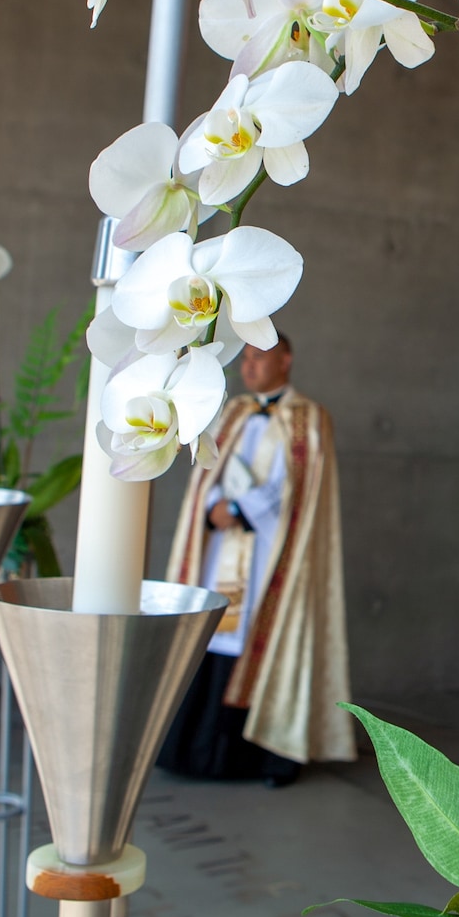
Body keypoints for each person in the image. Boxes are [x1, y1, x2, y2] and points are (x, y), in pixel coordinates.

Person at [157, 334, 354, 784]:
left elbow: (302, 488)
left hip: (272, 554)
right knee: (216, 637)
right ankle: (197, 752)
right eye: (244, 358)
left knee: (263, 639)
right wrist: (214, 507)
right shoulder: (234, 412)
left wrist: (244, 509)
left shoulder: (310, 417)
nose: (249, 366)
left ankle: (268, 756)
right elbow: (209, 472)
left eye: (259, 357)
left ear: (286, 359)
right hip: (224, 549)